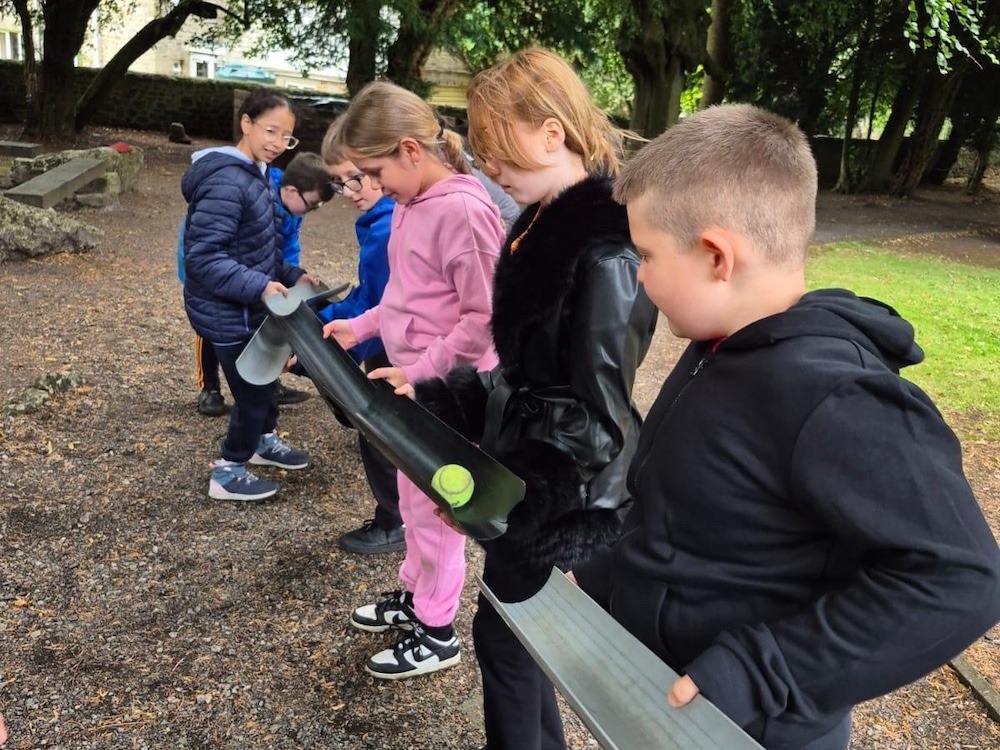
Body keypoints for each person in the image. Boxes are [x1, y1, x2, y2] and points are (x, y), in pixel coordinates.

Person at [569, 104, 1000, 750]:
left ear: (717, 256)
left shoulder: (832, 397)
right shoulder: (720, 342)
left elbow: (961, 578)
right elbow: (691, 506)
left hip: (748, 732)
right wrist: (607, 574)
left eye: (647, 255)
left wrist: (762, 672)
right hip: (672, 708)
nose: (640, 276)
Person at [413, 48, 657, 750]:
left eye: (500, 149)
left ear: (553, 133)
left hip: (560, 483)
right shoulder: (536, 224)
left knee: (508, 637)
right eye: (482, 151)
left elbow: (603, 408)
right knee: (510, 637)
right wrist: (449, 402)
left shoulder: (606, 248)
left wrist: (553, 503)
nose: (489, 166)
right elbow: (525, 370)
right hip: (525, 464)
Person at [322, 80, 504, 679]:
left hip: (445, 394)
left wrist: (421, 371)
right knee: (411, 501)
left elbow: (483, 317)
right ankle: (416, 597)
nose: (371, 185)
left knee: (437, 511)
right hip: (410, 388)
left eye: (372, 170)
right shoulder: (408, 205)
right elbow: (405, 298)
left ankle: (437, 629)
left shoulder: (464, 211)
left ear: (408, 150)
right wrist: (359, 324)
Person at [181, 88, 315, 502]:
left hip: (247, 307)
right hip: (227, 312)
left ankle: (263, 442)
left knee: (268, 378)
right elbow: (203, 258)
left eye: (286, 137)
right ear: (246, 123)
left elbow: (259, 248)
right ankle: (228, 470)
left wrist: (292, 273)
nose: (277, 143)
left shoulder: (259, 175)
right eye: (270, 131)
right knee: (254, 392)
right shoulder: (227, 180)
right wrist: (259, 285)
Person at [317, 115, 404, 554]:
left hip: (395, 351)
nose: (349, 194)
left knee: (381, 434)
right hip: (385, 342)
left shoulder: (387, 228)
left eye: (355, 181)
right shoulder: (378, 220)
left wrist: (334, 340)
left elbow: (381, 306)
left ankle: (394, 522)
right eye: (340, 184)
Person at [268, 152, 337, 406]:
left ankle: (271, 384)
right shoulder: (261, 201)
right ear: (292, 191)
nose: (312, 211)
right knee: (213, 331)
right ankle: (209, 388)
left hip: (267, 270)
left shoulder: (293, 209)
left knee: (272, 317)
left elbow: (289, 247)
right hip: (217, 274)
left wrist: (295, 276)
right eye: (312, 204)